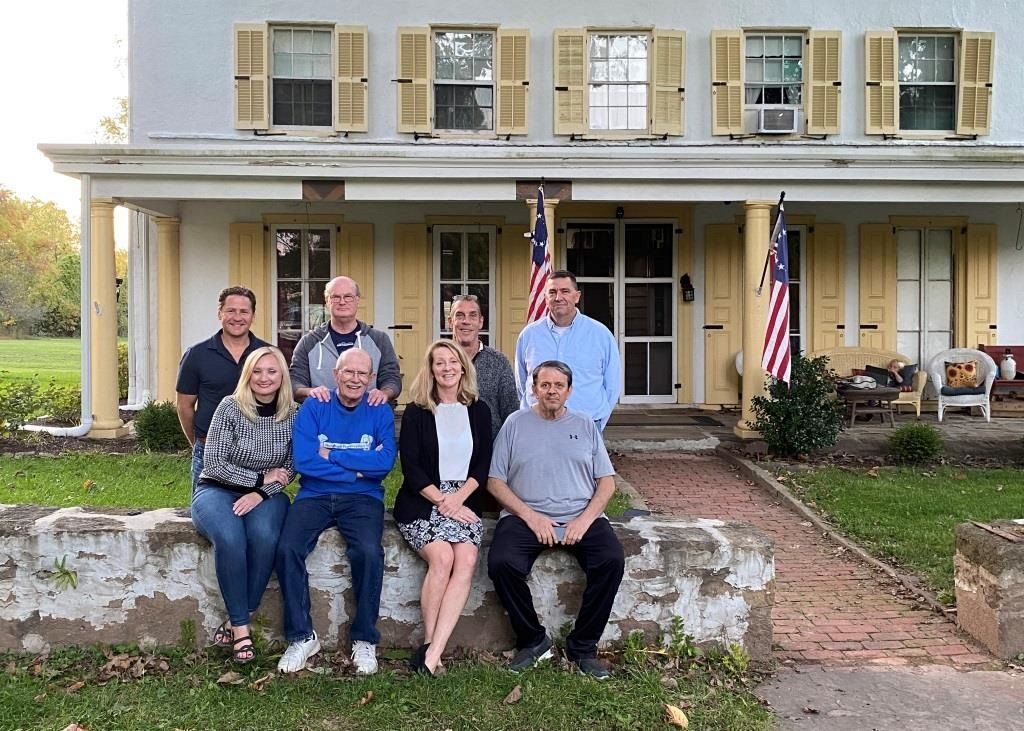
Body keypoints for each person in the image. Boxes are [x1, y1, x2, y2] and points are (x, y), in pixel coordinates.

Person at [487, 360, 624, 679]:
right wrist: (531, 517)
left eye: (558, 385)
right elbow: (495, 481)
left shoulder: (585, 424)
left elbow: (607, 482)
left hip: (580, 515)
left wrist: (584, 521)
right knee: (502, 564)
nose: (551, 391)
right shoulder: (515, 423)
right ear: (533, 389)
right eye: (544, 385)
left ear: (569, 390)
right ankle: (533, 640)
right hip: (526, 516)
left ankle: (583, 647)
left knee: (611, 560)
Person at [275, 348, 397, 675]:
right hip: (313, 494)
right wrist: (359, 467)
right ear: (336, 375)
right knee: (287, 549)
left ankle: (364, 639)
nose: (355, 379)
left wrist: (331, 455)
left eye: (362, 374)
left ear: (371, 379)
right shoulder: (315, 406)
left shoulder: (379, 410)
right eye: (349, 372)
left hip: (363, 497)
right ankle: (302, 636)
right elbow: (304, 461)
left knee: (369, 552)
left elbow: (384, 465)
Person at [190, 346, 295, 664]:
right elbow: (215, 463)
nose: (264, 378)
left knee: (264, 536)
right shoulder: (229, 408)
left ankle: (240, 612)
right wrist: (259, 480)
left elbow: (291, 467)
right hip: (216, 491)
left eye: (272, 371)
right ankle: (241, 629)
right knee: (231, 537)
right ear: (248, 374)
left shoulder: (294, 413)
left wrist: (262, 493)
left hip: (269, 496)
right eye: (258, 371)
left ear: (282, 377)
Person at [394, 339, 493, 675]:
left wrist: (458, 499)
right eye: (440, 363)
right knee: (443, 557)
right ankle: (430, 646)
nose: (447, 368)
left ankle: (432, 653)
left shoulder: (479, 409)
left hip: (464, 498)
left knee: (466, 557)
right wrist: (442, 501)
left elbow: (482, 464)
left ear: (463, 367)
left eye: (453, 362)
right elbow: (411, 468)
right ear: (431, 369)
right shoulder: (417, 411)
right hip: (423, 501)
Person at [177, 286, 269, 491]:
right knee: (207, 516)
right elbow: (185, 406)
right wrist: (199, 444)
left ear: (253, 316)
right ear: (220, 313)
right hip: (208, 450)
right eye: (231, 311)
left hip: (256, 455)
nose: (237, 317)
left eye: (244, 311)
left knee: (254, 516)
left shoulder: (267, 355)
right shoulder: (197, 355)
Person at [514, 270, 620, 430]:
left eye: (565, 291)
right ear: (545, 297)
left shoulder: (600, 335)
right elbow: (522, 384)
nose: (558, 297)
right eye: (552, 292)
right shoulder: (529, 335)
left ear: (577, 296)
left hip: (586, 425)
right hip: (537, 426)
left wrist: (597, 423)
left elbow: (612, 386)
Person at [289, 276, 401, 406]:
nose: (342, 302)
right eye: (335, 297)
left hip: (368, 416)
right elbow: (294, 381)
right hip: (323, 418)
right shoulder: (308, 343)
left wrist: (384, 393)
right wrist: (310, 392)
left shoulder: (379, 340)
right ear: (327, 301)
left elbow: (392, 378)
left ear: (357, 300)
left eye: (348, 296)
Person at [448, 294, 518, 438]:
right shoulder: (439, 362)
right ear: (450, 322)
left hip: (491, 451)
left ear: (481, 322)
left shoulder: (498, 362)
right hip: (447, 448)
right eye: (460, 315)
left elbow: (510, 413)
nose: (466, 321)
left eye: (472, 316)